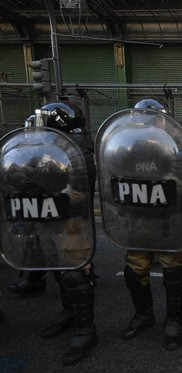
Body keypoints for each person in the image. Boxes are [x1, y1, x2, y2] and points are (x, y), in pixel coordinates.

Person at [2, 102, 98, 365]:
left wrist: (49, 196)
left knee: (75, 274)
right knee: (58, 268)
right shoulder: (56, 147)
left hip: (72, 220)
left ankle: (85, 329)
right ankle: (69, 313)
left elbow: (80, 188)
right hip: (49, 215)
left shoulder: (77, 149)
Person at [113, 98, 182, 351]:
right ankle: (144, 314)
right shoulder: (128, 146)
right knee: (134, 270)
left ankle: (174, 319)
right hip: (138, 219)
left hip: (168, 220)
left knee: (173, 271)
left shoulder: (176, 146)